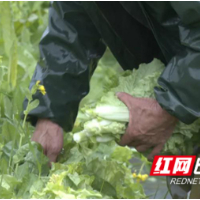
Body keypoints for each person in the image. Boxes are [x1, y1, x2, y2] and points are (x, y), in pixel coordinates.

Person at [23, 2, 200, 164]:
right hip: (180, 95)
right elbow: (71, 22)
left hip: (186, 88)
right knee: (187, 183)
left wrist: (172, 103)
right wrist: (50, 113)